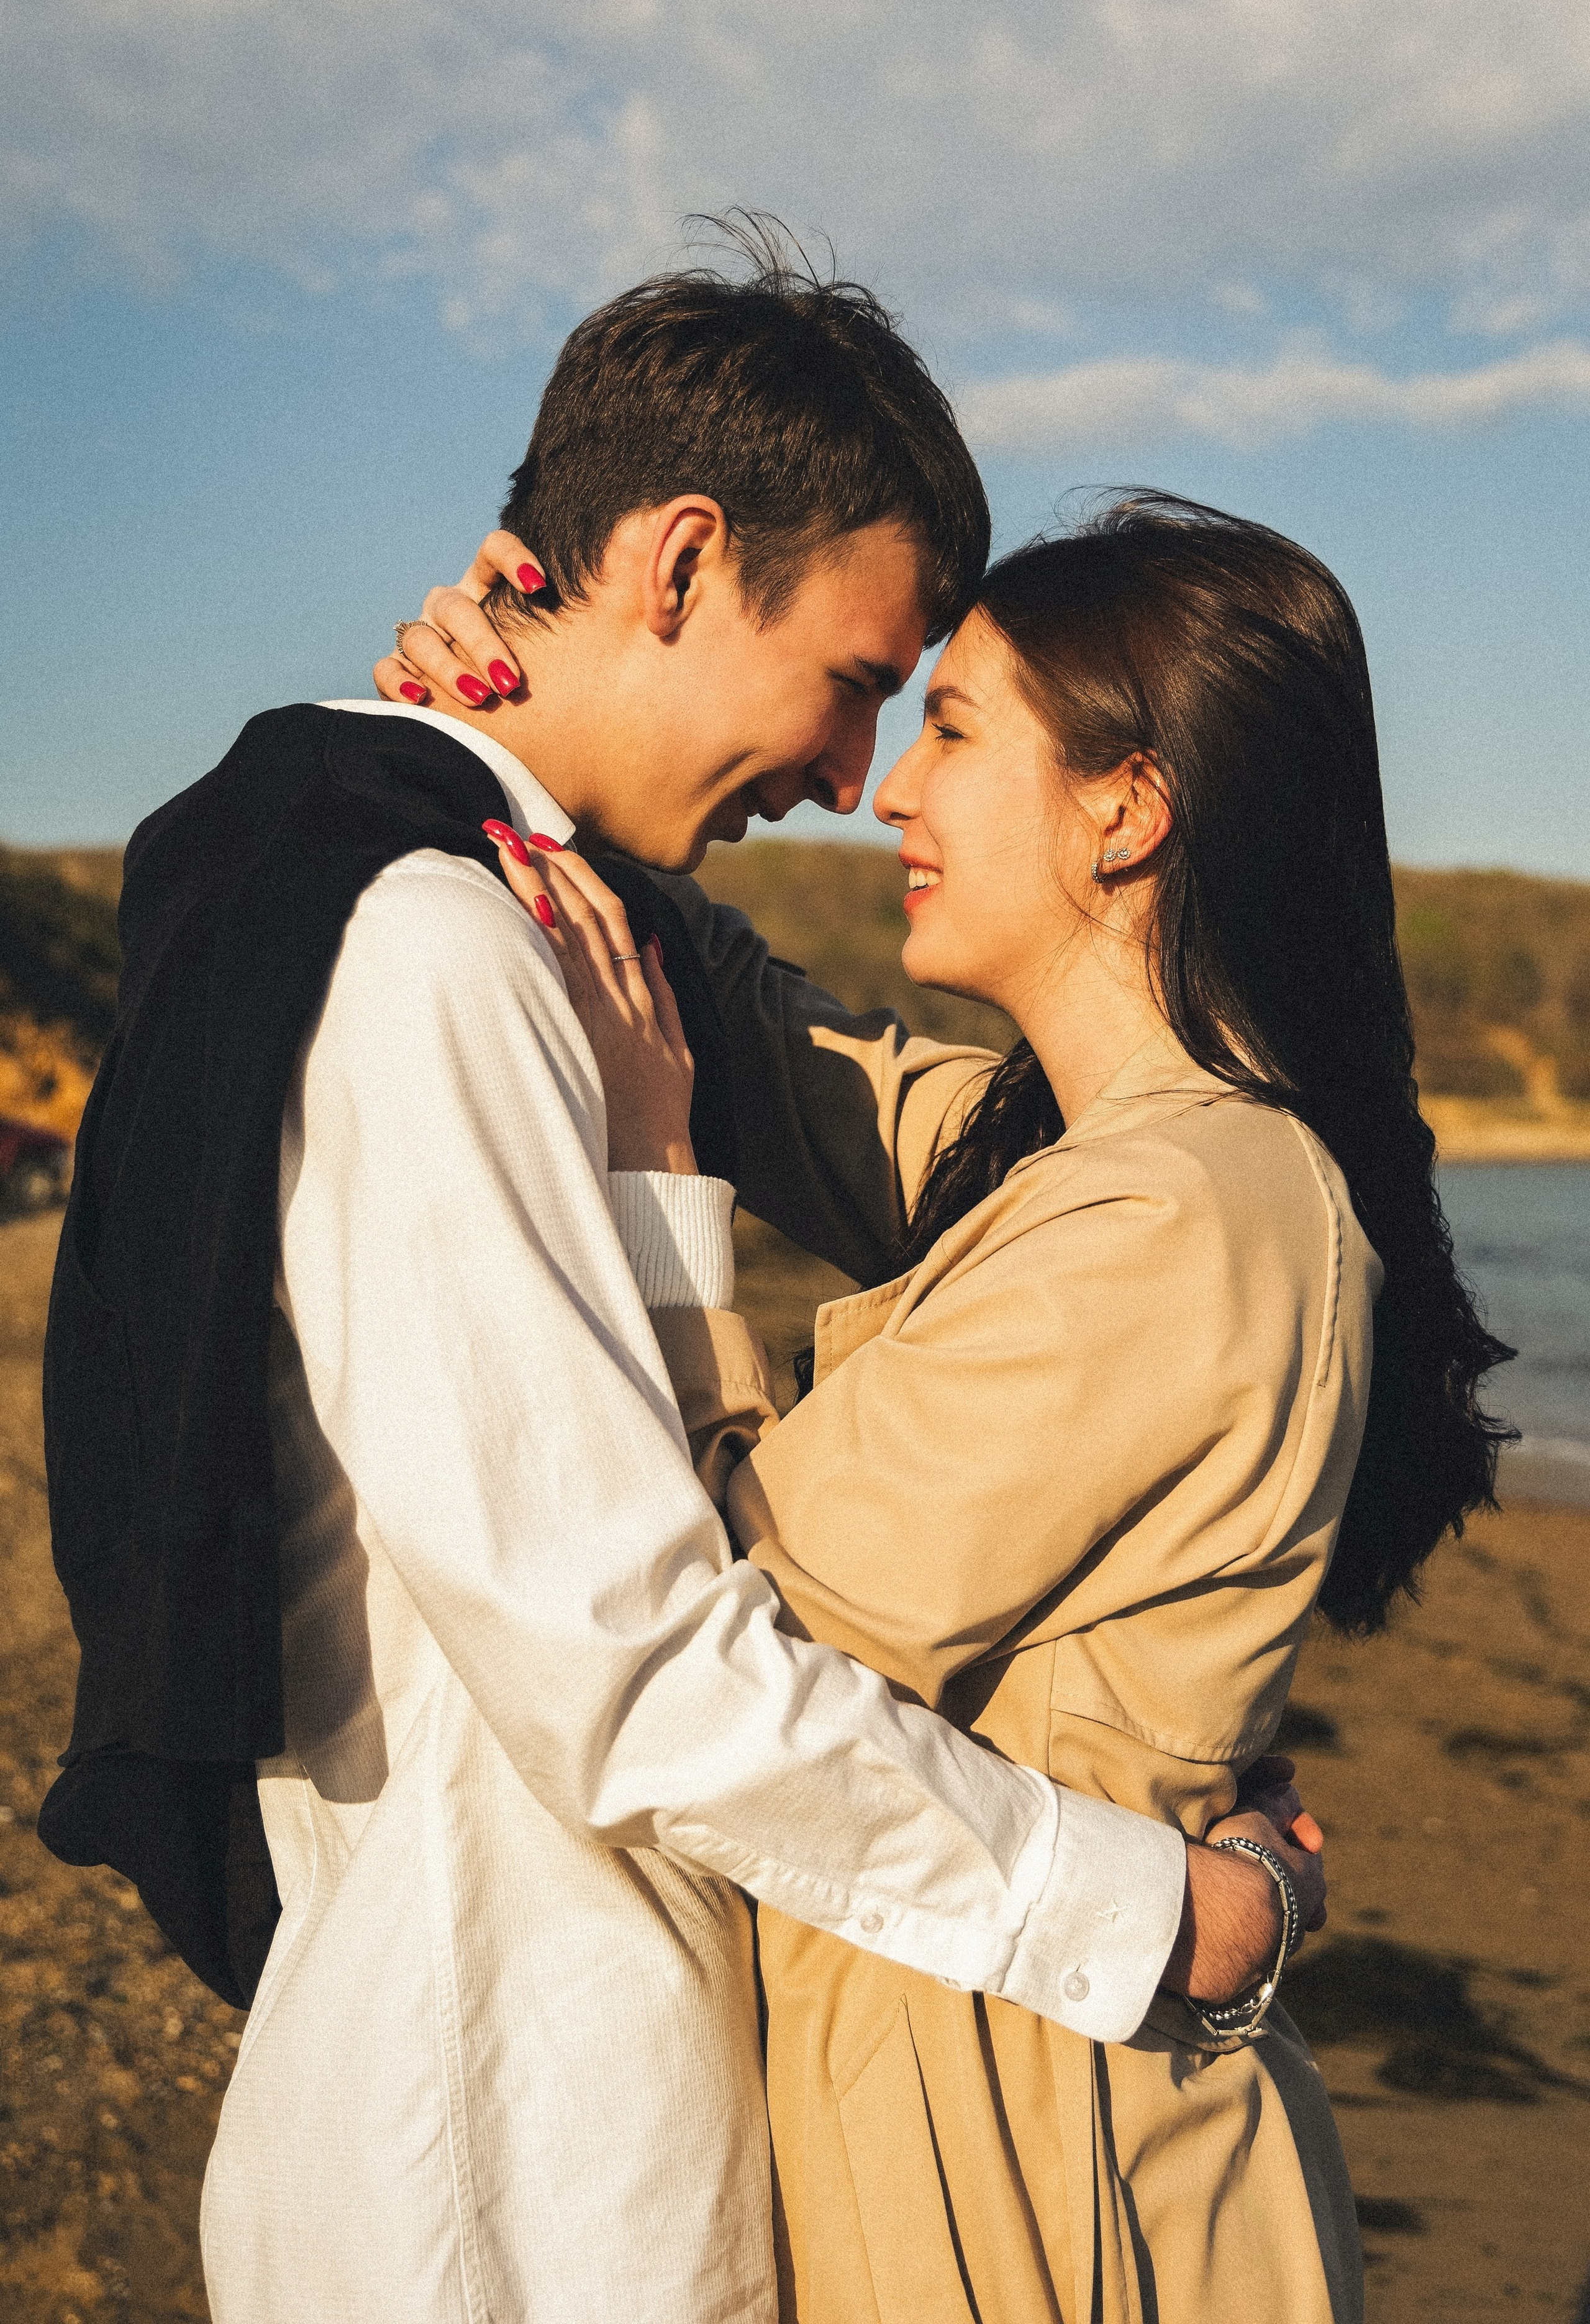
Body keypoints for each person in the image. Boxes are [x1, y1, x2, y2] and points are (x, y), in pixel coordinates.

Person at [41, 245, 1306, 2324]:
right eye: (860, 681)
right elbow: (625, 1659)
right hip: (520, 2154)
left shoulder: (431, 895)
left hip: (536, 2089)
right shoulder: (435, 950)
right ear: (686, 560)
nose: (853, 777)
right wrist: (1149, 1907)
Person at [447, 494, 1512, 2322]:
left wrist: (657, 1187)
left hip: (1037, 2170)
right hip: (991, 2098)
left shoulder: (1189, 1211)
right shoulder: (1075, 1161)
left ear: (1126, 808)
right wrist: (529, 722)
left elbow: (718, 1625)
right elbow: (770, 1040)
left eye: (949, 729)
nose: (887, 794)